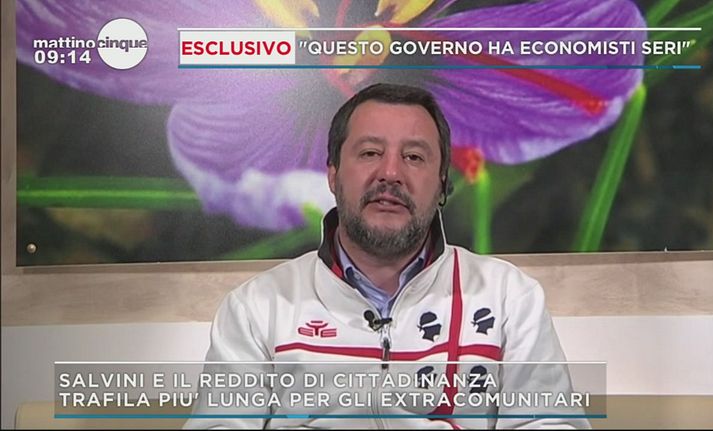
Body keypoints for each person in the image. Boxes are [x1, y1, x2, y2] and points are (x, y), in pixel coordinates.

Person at [185, 83, 589, 429]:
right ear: (332, 175)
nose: (390, 173)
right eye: (369, 153)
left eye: (414, 157)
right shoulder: (258, 306)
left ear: (442, 183)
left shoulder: (509, 298)